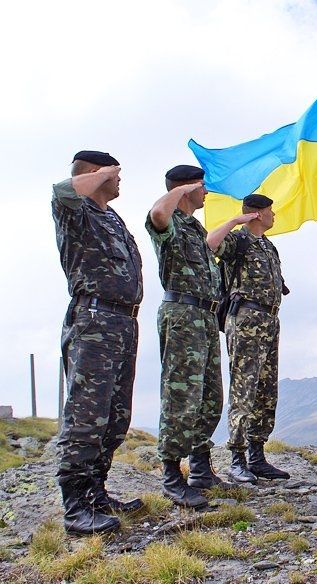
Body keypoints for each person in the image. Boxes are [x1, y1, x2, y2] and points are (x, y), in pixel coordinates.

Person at [52, 150, 144, 534]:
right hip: (94, 319)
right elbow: (63, 190)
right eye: (115, 173)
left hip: (122, 321)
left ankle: (96, 492)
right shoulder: (76, 210)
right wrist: (105, 170)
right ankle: (75, 505)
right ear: (96, 172)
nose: (120, 180)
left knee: (115, 415)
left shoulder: (112, 217)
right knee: (87, 414)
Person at [146, 164, 226, 509]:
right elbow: (158, 213)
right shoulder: (169, 222)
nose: (207, 192)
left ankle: (200, 467)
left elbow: (211, 248)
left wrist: (235, 223)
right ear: (188, 187)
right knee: (182, 395)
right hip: (182, 314)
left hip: (205, 317)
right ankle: (170, 474)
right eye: (203, 186)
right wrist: (181, 189)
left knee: (210, 396)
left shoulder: (194, 227)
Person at [207, 194, 290, 483]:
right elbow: (211, 244)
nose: (274, 215)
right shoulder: (238, 241)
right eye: (270, 210)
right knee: (244, 387)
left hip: (269, 320)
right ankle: (237, 458)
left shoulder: (269, 246)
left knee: (266, 390)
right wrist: (233, 222)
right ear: (256, 214)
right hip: (245, 319)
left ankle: (257, 455)